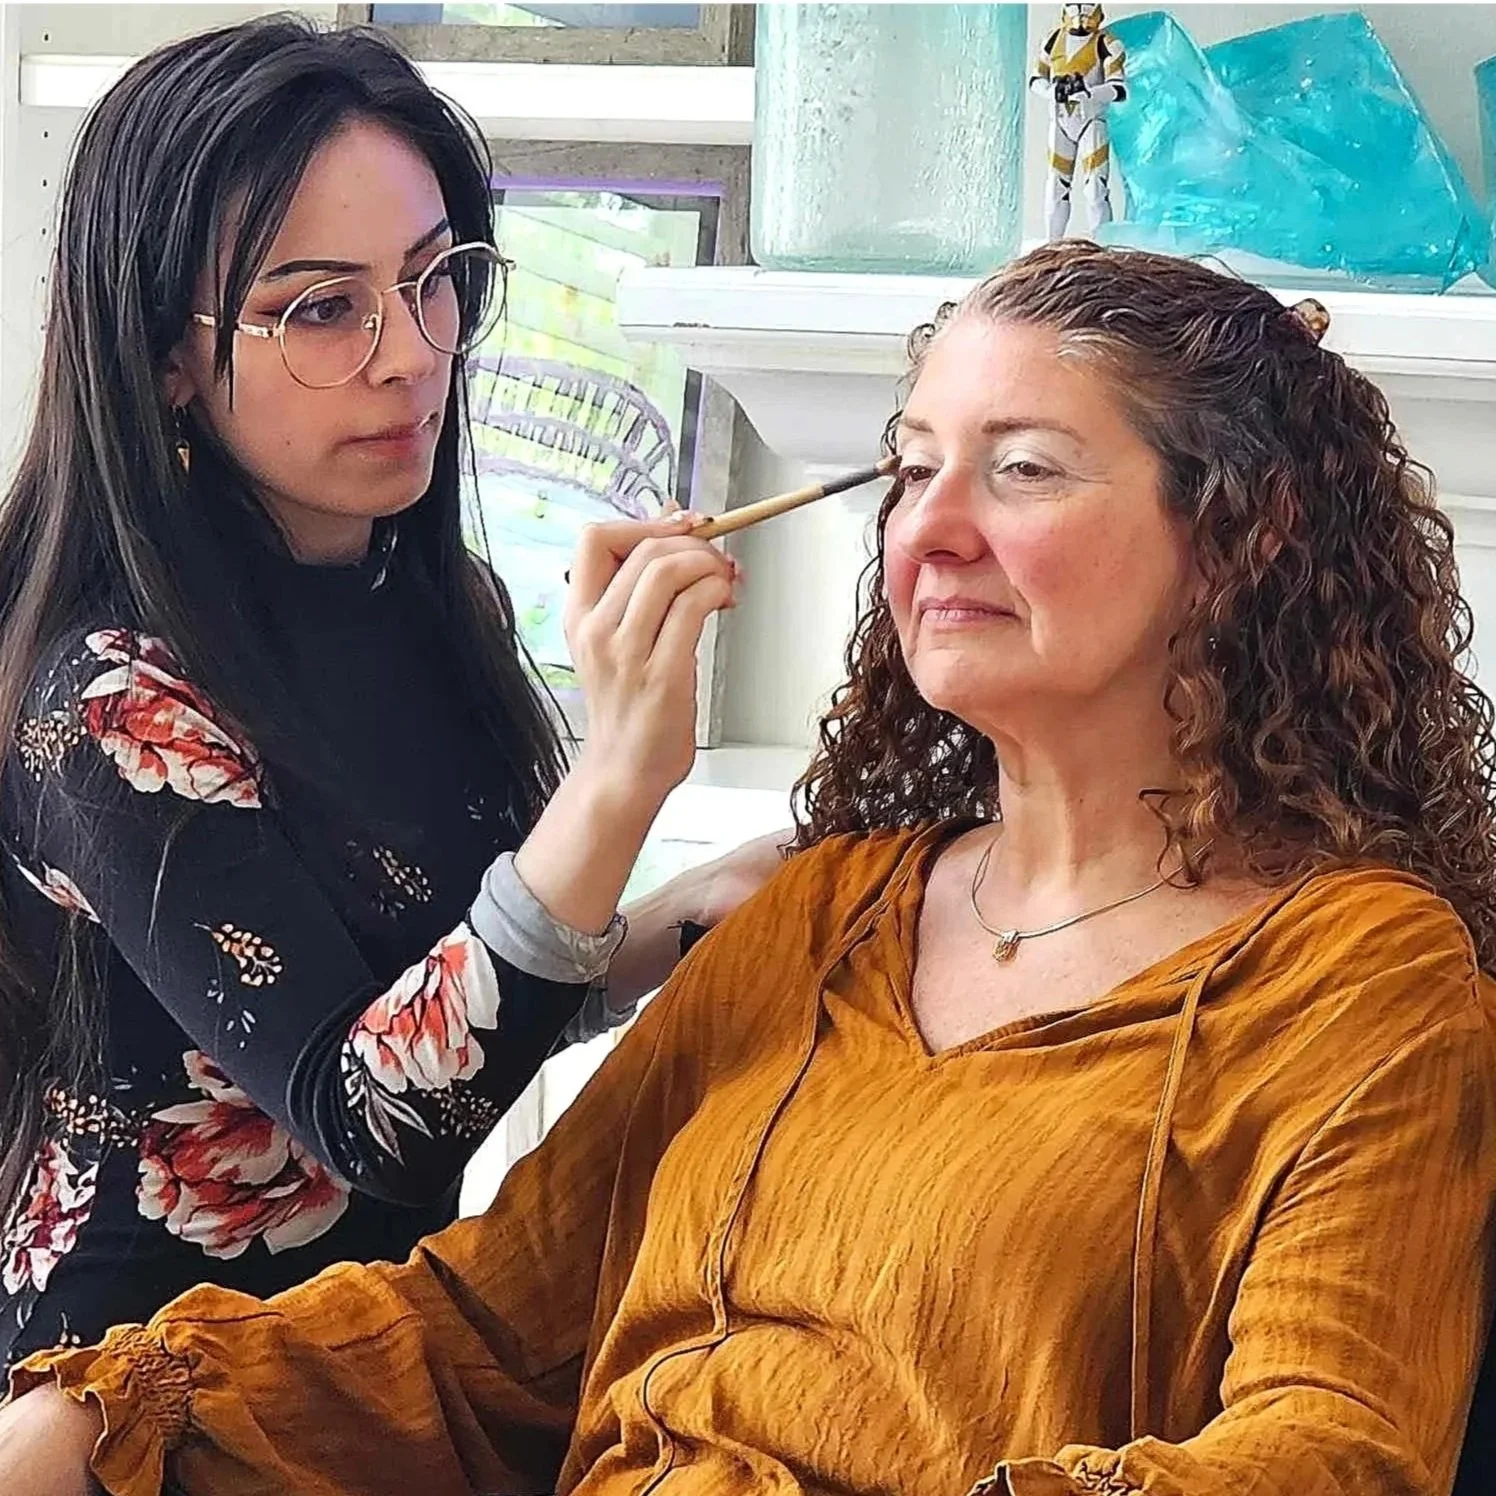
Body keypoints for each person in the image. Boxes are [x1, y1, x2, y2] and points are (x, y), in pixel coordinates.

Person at [7, 240, 1496, 1496]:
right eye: (912, 473)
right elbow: (485, 1331)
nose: (936, 531)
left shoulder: (1363, 981)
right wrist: (102, 1418)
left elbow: (1330, 1453)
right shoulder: (825, 911)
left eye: (1024, 469)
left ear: (1245, 533)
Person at [0, 15, 785, 1376]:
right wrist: (619, 779)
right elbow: (370, 1120)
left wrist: (717, 905)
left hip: (358, 1372)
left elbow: (444, 994)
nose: (413, 353)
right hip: (123, 1408)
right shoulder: (112, 694)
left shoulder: (434, 601)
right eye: (321, 307)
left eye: (434, 280)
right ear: (168, 357)